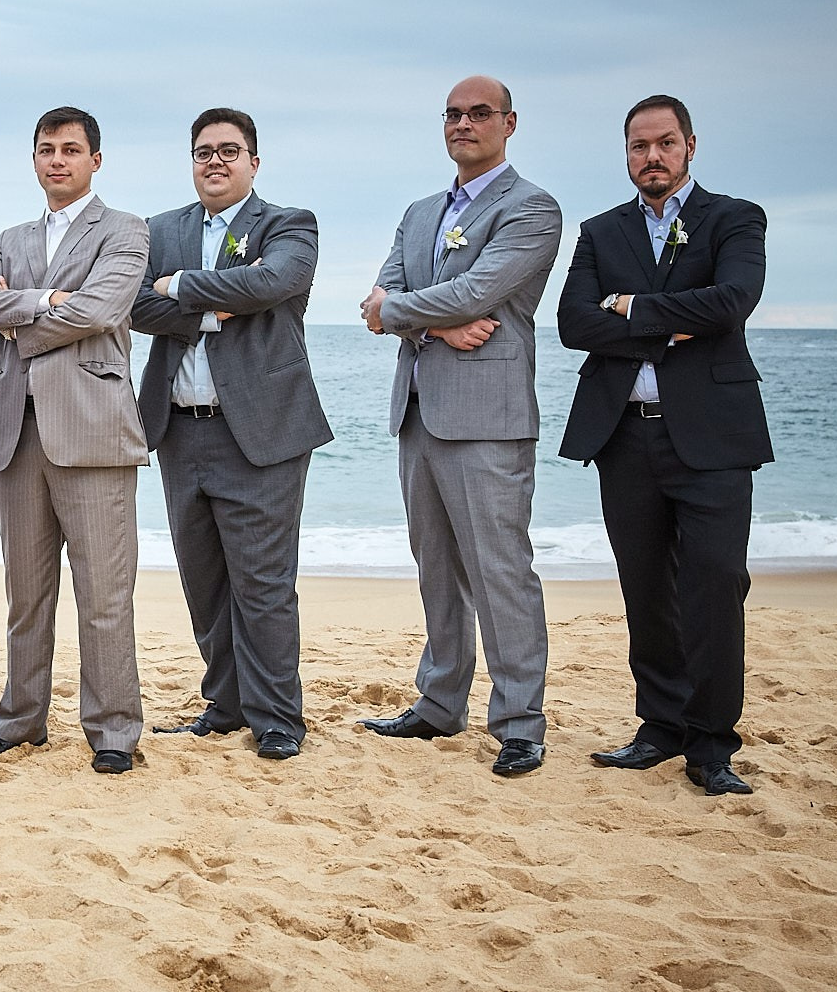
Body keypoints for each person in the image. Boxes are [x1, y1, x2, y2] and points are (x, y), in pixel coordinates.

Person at [557, 94, 771, 796]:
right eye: (639, 145)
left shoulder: (735, 218)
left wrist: (631, 308)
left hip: (712, 436)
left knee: (714, 587)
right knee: (645, 588)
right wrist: (669, 320)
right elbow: (573, 324)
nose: (652, 156)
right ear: (626, 153)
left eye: (666, 143)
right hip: (624, 436)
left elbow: (731, 300)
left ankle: (712, 745)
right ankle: (659, 725)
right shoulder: (598, 231)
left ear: (690, 146)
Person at [358, 75, 561, 778]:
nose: (464, 123)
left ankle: (519, 723)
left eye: (480, 113)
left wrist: (409, 311)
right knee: (436, 568)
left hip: (486, 419)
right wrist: (441, 327)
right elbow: (376, 303)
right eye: (453, 113)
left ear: (509, 123)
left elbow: (479, 291)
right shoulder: (418, 213)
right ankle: (441, 703)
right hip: (417, 410)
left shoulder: (532, 208)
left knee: (500, 570)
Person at [132, 108, 330, 761]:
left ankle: (277, 719)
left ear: (253, 161)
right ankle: (225, 705)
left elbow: (275, 281)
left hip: (263, 433)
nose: (214, 161)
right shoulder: (162, 229)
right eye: (202, 151)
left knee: (264, 585)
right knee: (205, 582)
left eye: (228, 150)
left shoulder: (288, 224)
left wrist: (182, 286)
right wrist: (216, 310)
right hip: (179, 433)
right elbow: (136, 305)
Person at [0, 107, 150, 774]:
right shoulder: (9, 236)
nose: (57, 160)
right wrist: (47, 302)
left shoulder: (126, 230)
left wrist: (24, 305)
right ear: (34, 158)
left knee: (104, 594)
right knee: (26, 592)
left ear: (95, 161)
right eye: (46, 149)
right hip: (16, 432)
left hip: (93, 431)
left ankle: (113, 731)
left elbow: (103, 308)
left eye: (71, 150)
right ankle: (22, 720)